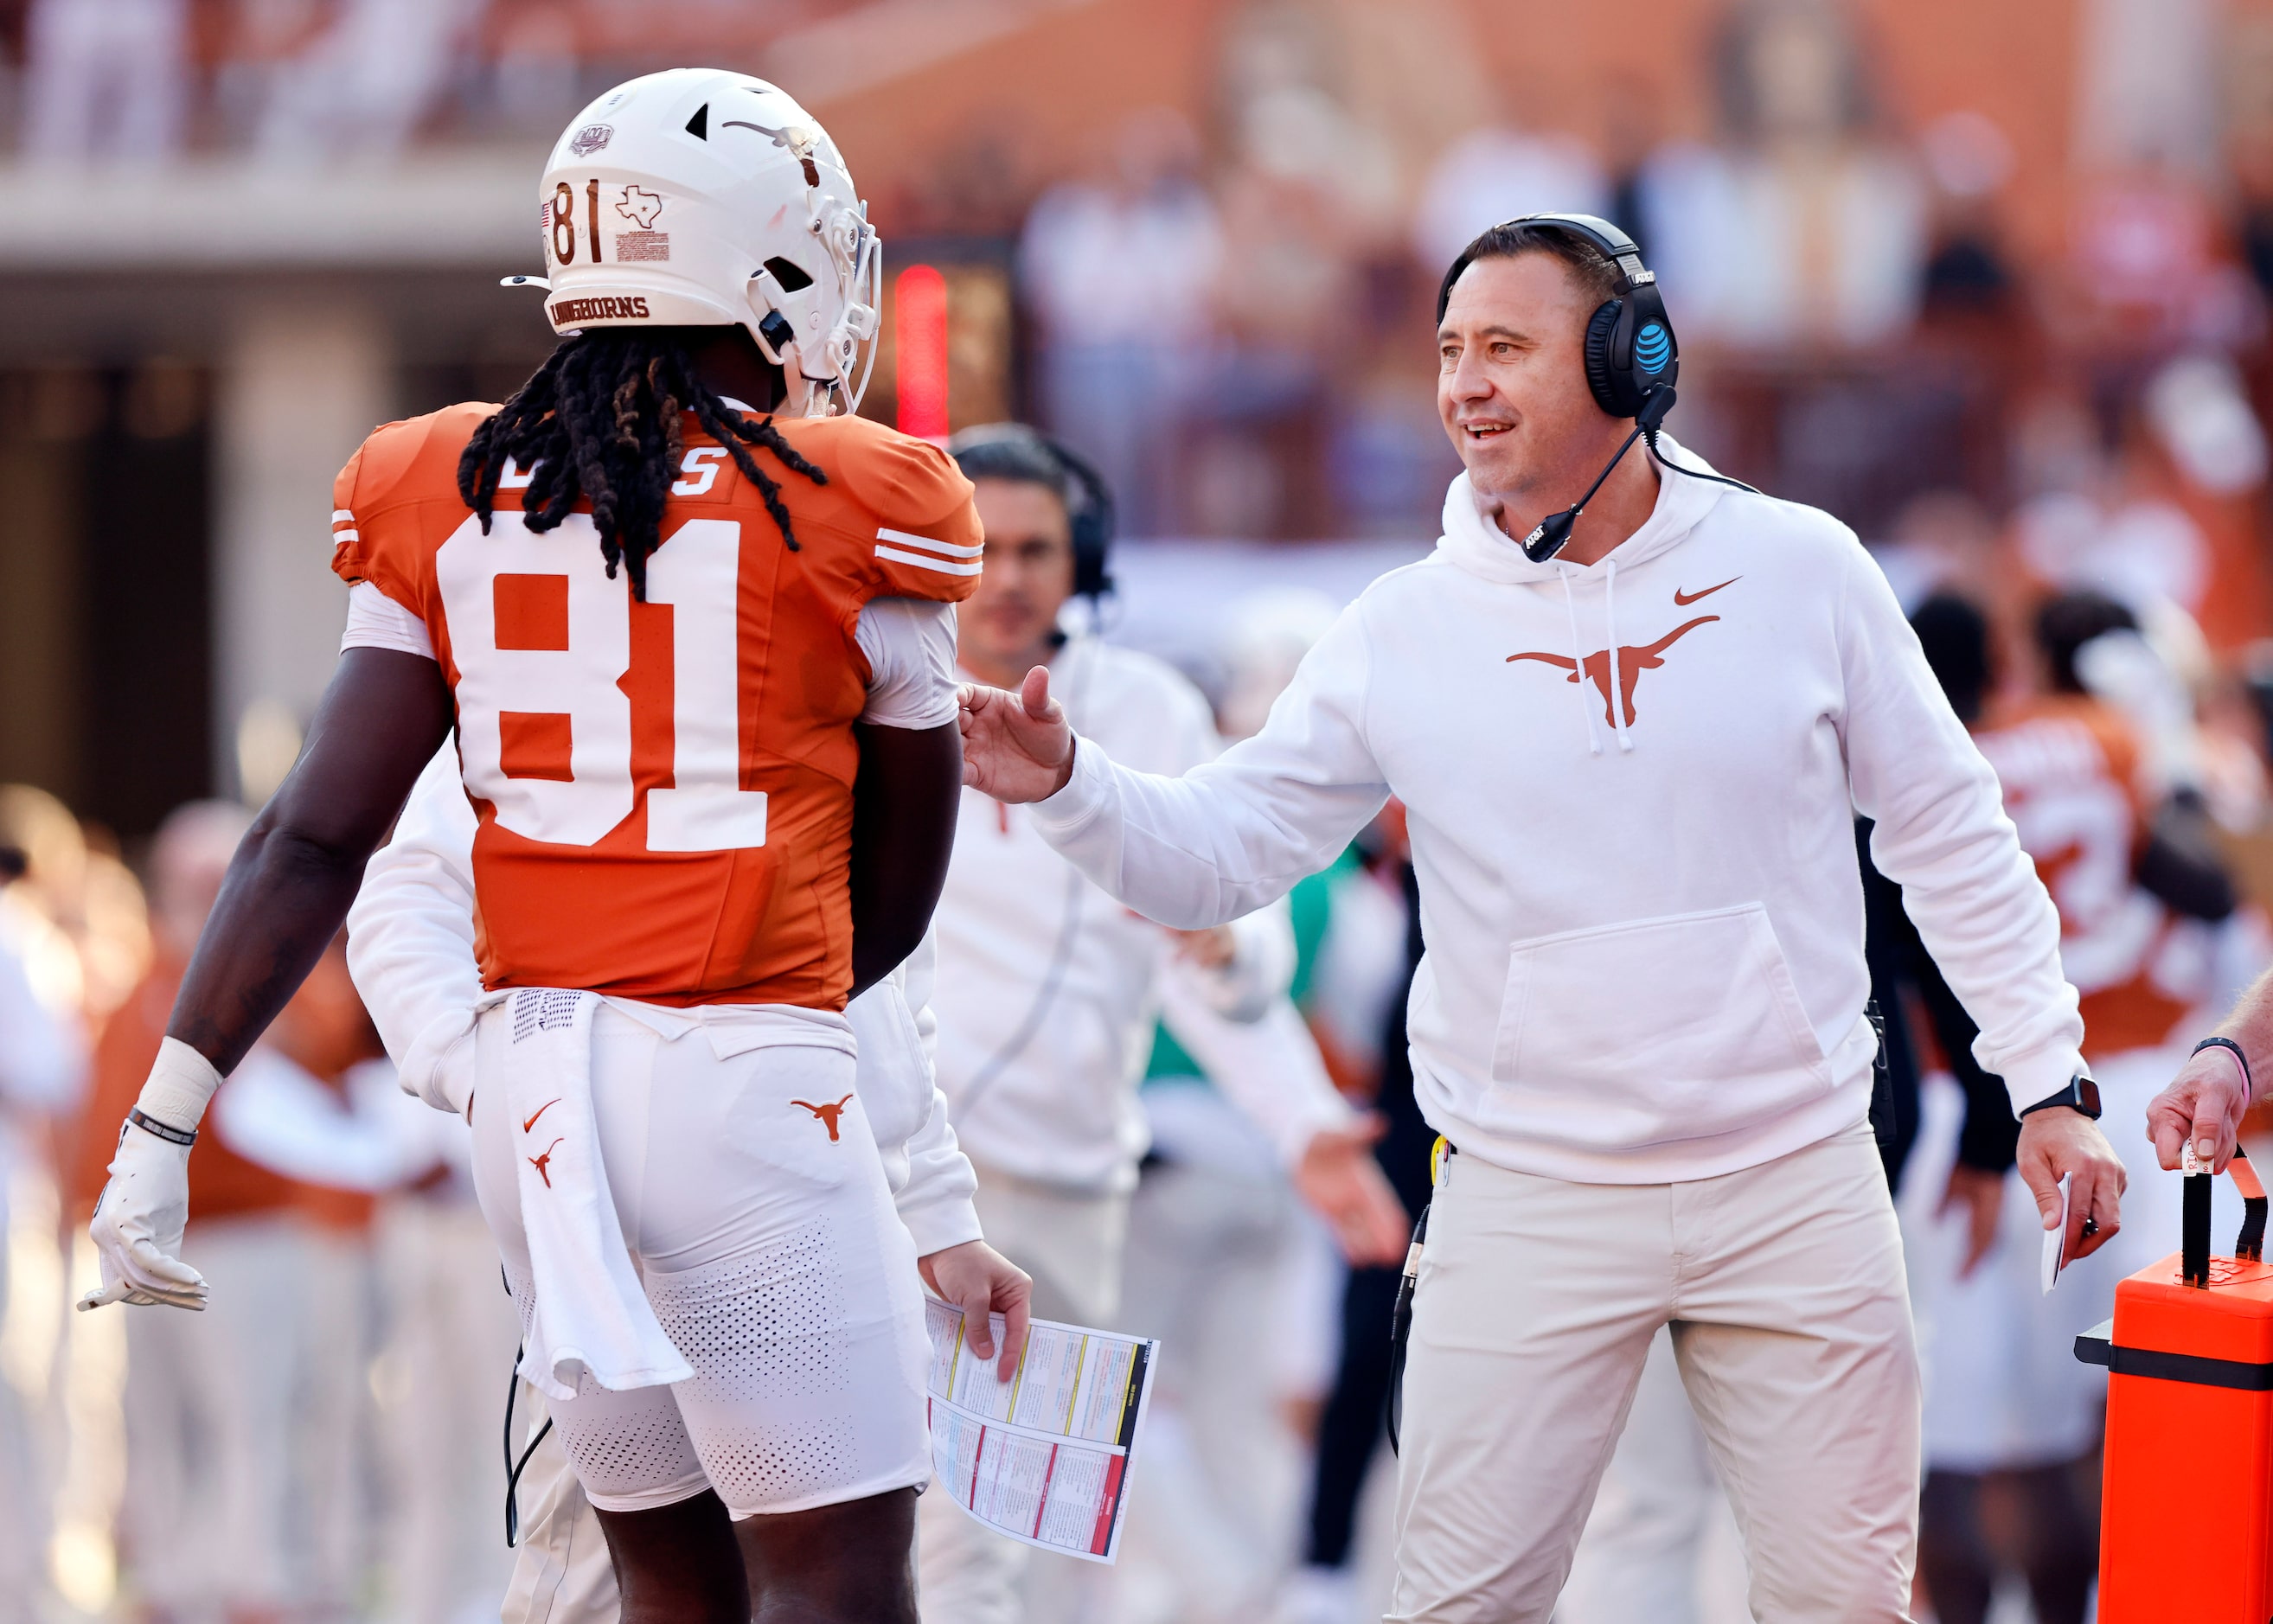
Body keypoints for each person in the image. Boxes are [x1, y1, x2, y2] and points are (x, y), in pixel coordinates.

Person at [958, 214, 2127, 1621]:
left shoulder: (1806, 569)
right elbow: (1220, 853)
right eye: (1450, 352)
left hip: (1798, 1177)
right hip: (1524, 1194)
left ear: (1631, 363)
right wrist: (1077, 785)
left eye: (1504, 346)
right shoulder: (1399, 628)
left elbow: (1952, 834)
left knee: (1848, 1606)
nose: (1464, 383)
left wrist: (2044, 1080)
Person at [78, 68, 1028, 1624]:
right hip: (740, 1069)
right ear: (762, 263)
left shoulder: (438, 482)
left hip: (536, 1102)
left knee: (667, 1583)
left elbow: (312, 832)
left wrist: (165, 1119)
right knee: (837, 1582)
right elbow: (892, 905)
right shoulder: (861, 492)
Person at [912, 425, 1412, 1623]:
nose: (1011, 573)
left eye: (1039, 546)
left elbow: (1221, 962)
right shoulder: (869, 689)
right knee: (921, 1542)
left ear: (1082, 559)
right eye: (981, 545)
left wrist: (1300, 1120)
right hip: (905, 1185)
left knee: (1060, 1545)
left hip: (1079, 1194)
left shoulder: (1142, 708)